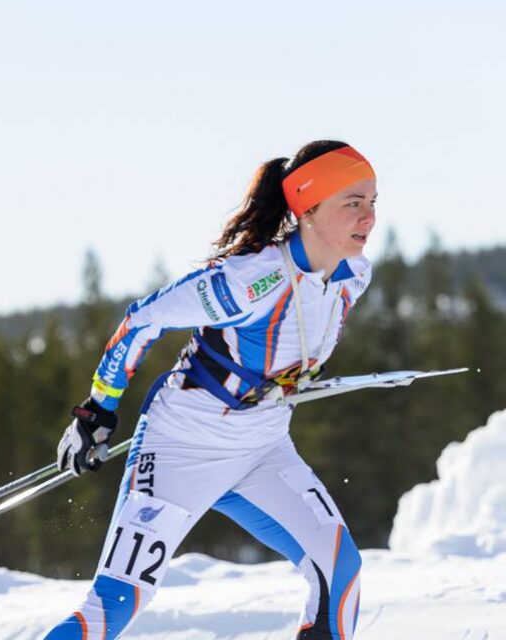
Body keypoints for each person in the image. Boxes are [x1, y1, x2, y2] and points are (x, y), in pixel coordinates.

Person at [45, 140, 377, 640]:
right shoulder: (249, 281)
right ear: (307, 208)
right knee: (114, 605)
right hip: (182, 446)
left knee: (340, 572)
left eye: (373, 202)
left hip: (263, 447)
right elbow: (142, 321)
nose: (368, 217)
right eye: (352, 203)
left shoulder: (353, 276)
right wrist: (97, 411)